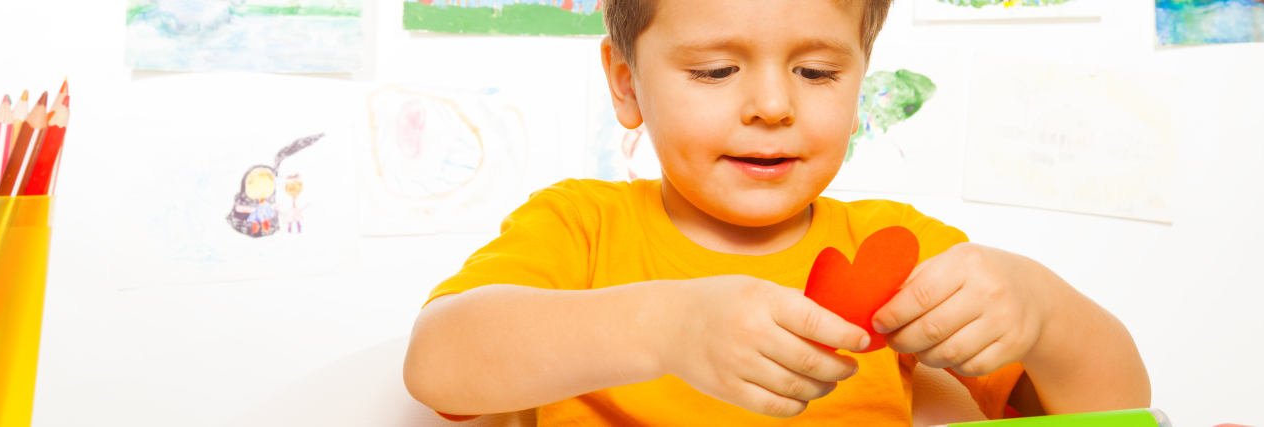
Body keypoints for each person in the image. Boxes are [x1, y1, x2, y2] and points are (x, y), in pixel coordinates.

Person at [403, 0, 1151, 424]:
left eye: (817, 71)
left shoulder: (903, 250)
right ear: (626, 83)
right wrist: (668, 327)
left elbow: (1118, 410)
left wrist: (1044, 311)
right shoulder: (582, 226)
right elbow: (438, 363)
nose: (771, 106)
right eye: (717, 70)